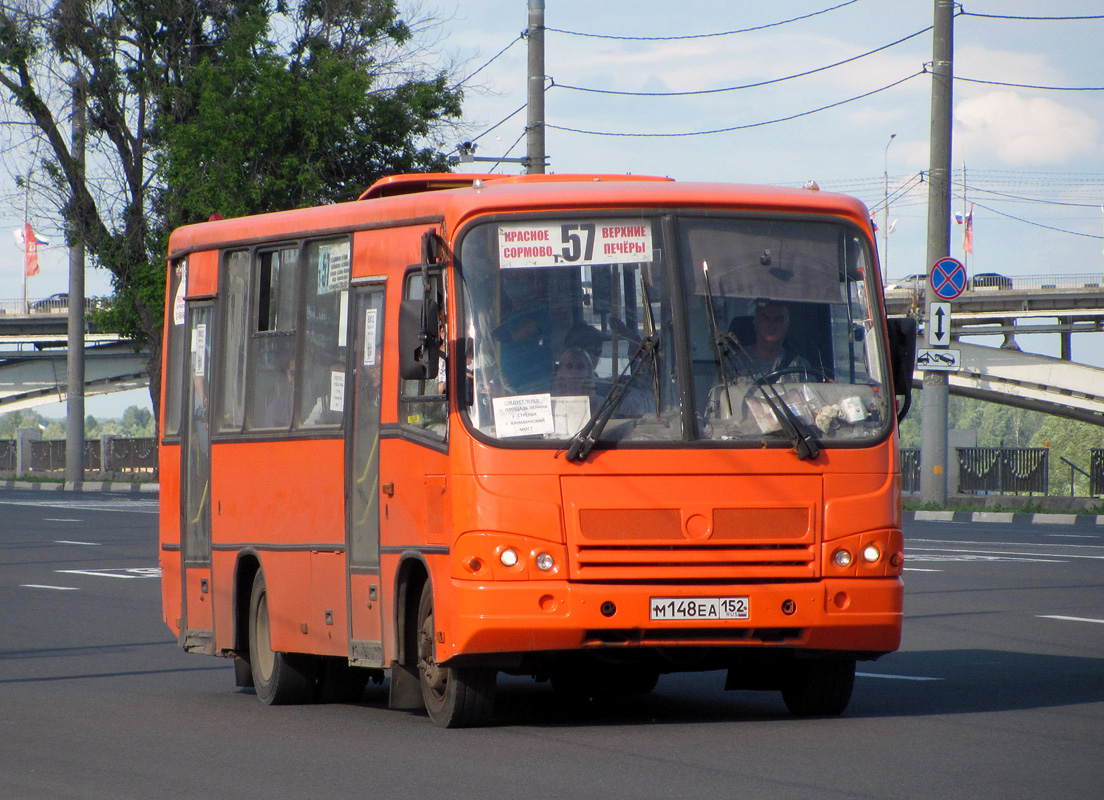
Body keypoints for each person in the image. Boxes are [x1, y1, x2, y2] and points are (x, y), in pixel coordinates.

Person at [732, 300, 811, 379]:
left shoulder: (800, 366)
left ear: (787, 326)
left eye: (778, 319)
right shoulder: (733, 363)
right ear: (756, 323)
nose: (772, 325)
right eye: (765, 319)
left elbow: (811, 390)